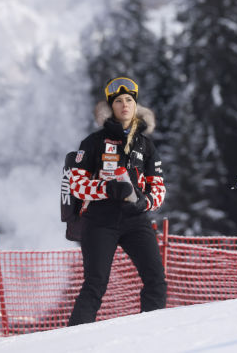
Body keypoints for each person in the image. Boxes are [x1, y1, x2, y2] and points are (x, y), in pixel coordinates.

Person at [68, 76, 167, 325]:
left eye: (130, 101)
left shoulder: (145, 145)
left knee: (156, 280)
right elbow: (76, 185)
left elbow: (159, 187)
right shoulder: (93, 142)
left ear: (136, 106)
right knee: (95, 284)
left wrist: (147, 203)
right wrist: (106, 188)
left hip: (136, 219)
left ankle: (150, 334)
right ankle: (70, 343)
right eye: (119, 101)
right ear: (111, 107)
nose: (125, 105)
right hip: (100, 220)